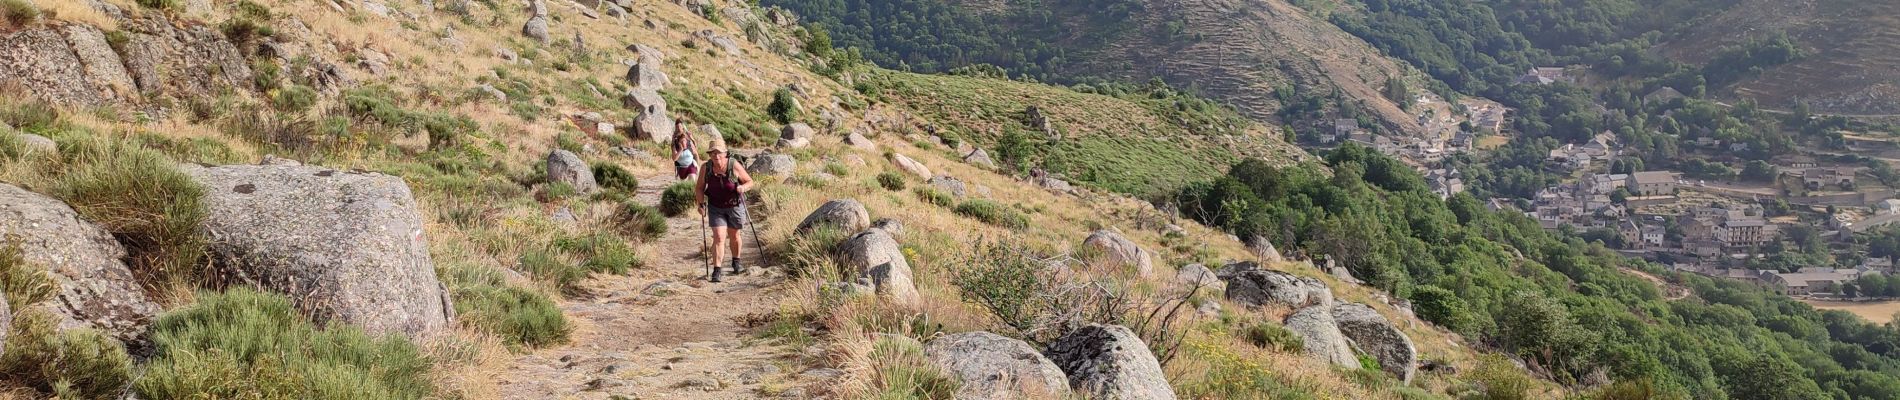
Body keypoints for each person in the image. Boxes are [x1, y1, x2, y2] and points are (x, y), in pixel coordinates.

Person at [696, 138, 754, 282]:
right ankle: (717, 270)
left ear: (725, 153)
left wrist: (742, 187)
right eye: (713, 153)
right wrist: (701, 204)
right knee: (719, 237)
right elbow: (699, 188)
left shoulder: (733, 165)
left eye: (719, 153)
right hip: (716, 207)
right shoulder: (706, 168)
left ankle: (736, 262)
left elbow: (750, 181)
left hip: (734, 205)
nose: (716, 156)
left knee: (734, 236)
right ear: (710, 155)